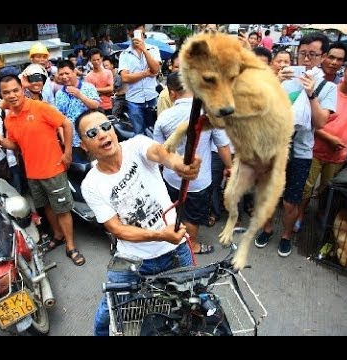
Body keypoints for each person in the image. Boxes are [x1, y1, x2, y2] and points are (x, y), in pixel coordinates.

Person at [76, 108, 201, 336]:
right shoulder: (91, 185)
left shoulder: (136, 145)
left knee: (193, 301)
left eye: (106, 127)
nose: (103, 134)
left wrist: (179, 165)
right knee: (109, 312)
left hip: (175, 250)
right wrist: (160, 234)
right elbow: (117, 229)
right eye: (92, 133)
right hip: (132, 259)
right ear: (84, 145)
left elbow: (161, 153)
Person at [255, 32, 337, 257]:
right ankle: (268, 228)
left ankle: (286, 235)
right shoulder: (285, 78)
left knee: (291, 202)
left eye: (313, 54)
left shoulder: (327, 88)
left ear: (323, 57)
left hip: (300, 152)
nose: (307, 59)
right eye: (303, 54)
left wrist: (310, 93)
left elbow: (320, 122)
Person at [0, 72, 86, 267]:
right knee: (47, 206)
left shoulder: (40, 107)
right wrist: (1, 141)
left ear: (22, 89)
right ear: (1, 95)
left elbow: (66, 124)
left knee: (63, 209)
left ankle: (71, 246)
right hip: (32, 172)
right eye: (6, 92)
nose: (12, 95)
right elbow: (16, 145)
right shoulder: (9, 120)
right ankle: (57, 235)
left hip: (54, 168)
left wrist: (67, 152)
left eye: (15, 90)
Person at [154, 72, 231, 254]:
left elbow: (158, 151)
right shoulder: (210, 115)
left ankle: (173, 241)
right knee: (193, 217)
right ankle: (192, 246)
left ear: (172, 93)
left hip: (171, 178)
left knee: (174, 211)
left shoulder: (164, 118)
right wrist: (230, 167)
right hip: (198, 180)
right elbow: (223, 145)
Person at [296, 54, 347, 226]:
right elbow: (311, 118)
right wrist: (329, 138)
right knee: (305, 186)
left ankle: (321, 213)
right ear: (345, 70)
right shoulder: (328, 89)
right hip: (313, 149)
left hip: (339, 153)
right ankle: (299, 213)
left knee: (327, 188)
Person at [118, 24, 161, 134]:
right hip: (134, 100)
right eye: (132, 30)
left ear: (143, 30)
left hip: (152, 97)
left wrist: (144, 50)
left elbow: (155, 69)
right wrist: (146, 73)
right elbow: (125, 78)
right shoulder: (124, 54)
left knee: (155, 132)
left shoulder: (153, 49)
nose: (136, 33)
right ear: (129, 32)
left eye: (138, 29)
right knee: (139, 134)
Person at [85, 48, 114, 115]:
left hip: (108, 106)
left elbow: (111, 89)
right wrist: (105, 91)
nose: (96, 62)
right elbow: (90, 95)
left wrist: (95, 89)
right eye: (94, 60)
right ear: (90, 60)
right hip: (95, 108)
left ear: (101, 59)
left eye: (98, 59)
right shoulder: (88, 77)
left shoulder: (108, 72)